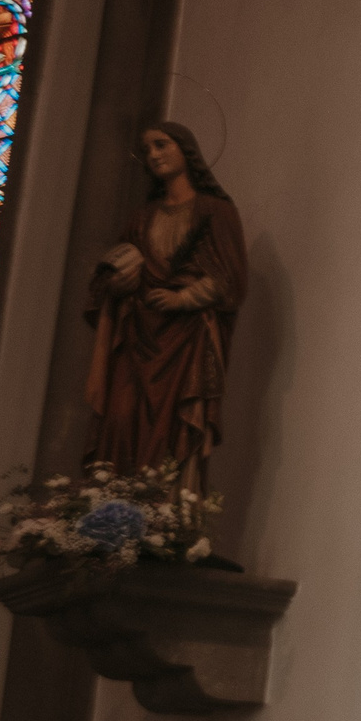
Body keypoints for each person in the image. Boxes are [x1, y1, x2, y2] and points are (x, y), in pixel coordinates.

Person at [83, 122, 247, 493]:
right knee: (121, 418)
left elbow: (231, 280)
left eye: (161, 145)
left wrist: (181, 298)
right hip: (136, 336)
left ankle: (169, 512)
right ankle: (115, 505)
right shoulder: (142, 217)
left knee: (176, 424)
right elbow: (106, 275)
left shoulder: (215, 212)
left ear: (185, 151)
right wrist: (115, 281)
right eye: (147, 150)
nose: (153, 155)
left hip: (186, 342)